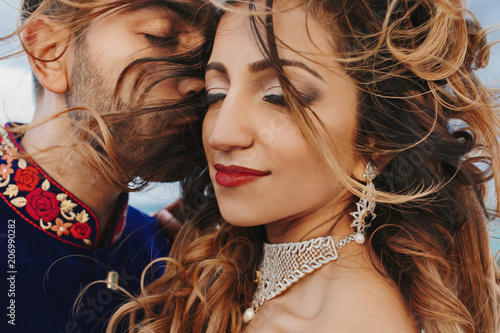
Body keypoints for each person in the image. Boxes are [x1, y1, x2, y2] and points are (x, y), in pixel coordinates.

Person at [108, 0, 500, 332]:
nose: (221, 134)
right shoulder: (236, 270)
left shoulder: (345, 322)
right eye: (216, 94)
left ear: (375, 140)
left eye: (279, 97)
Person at [0, 0, 208, 332]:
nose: (199, 82)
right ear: (48, 50)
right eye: (161, 36)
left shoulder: (173, 263)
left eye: (208, 54)